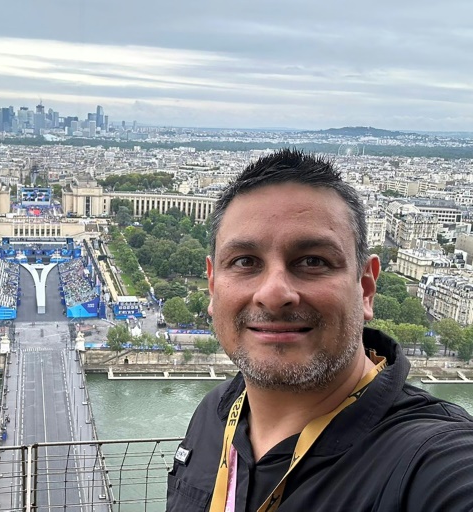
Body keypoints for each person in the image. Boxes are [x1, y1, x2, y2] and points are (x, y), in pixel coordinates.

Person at [166, 149, 473, 511]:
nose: (274, 293)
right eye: (245, 262)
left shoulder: (432, 460)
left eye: (313, 261)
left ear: (366, 289)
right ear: (213, 286)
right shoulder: (213, 412)